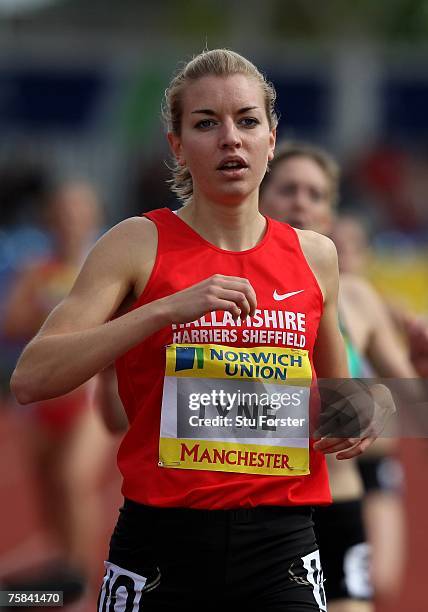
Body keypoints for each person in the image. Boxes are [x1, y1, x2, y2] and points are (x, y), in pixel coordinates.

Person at [11, 50, 389, 611]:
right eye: (206, 123)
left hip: (280, 549)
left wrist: (372, 403)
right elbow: (30, 377)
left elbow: (340, 402)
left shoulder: (315, 257)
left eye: (246, 120)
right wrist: (161, 310)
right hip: (162, 550)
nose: (230, 138)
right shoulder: (136, 243)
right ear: (178, 146)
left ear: (271, 138)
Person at [260, 141, 417, 611]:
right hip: (256, 503)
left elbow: (413, 399)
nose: (301, 202)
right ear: (260, 199)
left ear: (329, 214)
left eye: (315, 193)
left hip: (337, 499)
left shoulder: (356, 297)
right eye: (288, 189)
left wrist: (392, 393)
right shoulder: (235, 291)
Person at [2, 181, 117, 601]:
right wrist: (45, 311)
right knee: (48, 486)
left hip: (87, 396)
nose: (70, 221)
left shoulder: (103, 266)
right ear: (50, 219)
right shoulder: (38, 269)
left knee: (72, 479)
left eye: (78, 213)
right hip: (43, 398)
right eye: (63, 213)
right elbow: (11, 324)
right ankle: (61, 573)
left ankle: (82, 578)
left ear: (92, 218)